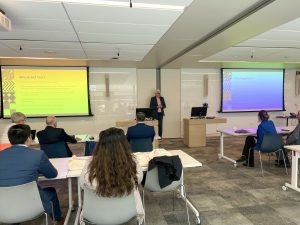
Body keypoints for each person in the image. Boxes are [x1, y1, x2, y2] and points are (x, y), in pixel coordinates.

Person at [80, 127, 144, 223]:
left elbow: (82, 185)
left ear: (100, 146)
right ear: (124, 145)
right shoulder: (133, 163)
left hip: (95, 215)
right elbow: (138, 181)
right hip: (127, 214)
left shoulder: (90, 166)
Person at [0, 124, 62, 223]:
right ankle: (57, 221)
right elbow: (52, 174)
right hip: (31, 206)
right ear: (29, 138)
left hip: (3, 208)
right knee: (51, 191)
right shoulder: (37, 154)